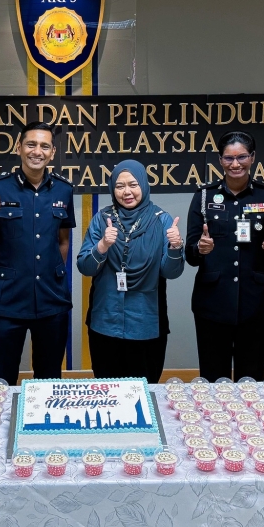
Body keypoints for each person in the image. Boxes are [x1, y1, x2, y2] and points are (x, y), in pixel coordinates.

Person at [0, 122, 75, 385]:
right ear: (19, 148)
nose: (37, 151)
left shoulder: (64, 189)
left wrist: (53, 274)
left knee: (49, 381)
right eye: (31, 144)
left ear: (52, 152)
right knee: (2, 381)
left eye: (45, 146)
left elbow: (63, 241)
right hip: (8, 301)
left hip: (52, 301)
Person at [185, 131, 264, 381]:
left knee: (251, 380)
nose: (235, 164)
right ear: (220, 160)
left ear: (252, 157)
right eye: (228, 158)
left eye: (242, 157)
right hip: (212, 303)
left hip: (256, 303)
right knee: (212, 379)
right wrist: (200, 249)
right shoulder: (204, 197)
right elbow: (190, 254)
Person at [77, 160, 184, 378]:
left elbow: (171, 272)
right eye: (120, 186)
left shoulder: (161, 220)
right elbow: (85, 267)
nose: (127, 192)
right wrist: (102, 245)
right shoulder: (102, 219)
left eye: (133, 185)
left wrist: (175, 247)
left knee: (143, 390)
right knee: (107, 390)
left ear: (143, 184)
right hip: (105, 321)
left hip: (146, 324)